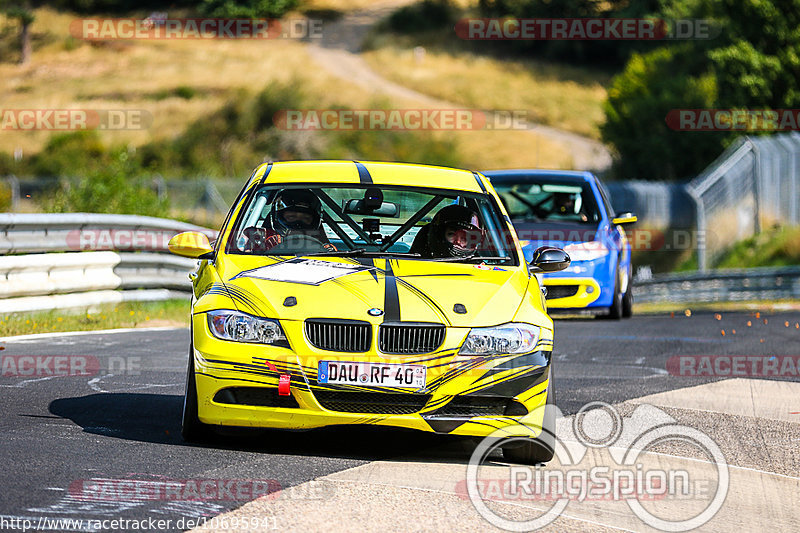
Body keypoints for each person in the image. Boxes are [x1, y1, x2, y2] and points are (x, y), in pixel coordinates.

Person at [243, 189, 336, 252]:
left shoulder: (326, 249)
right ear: (278, 217)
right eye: (292, 217)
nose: (298, 223)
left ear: (315, 221)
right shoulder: (262, 239)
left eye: (305, 219)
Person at [410, 204, 484, 258]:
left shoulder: (482, 270)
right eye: (451, 234)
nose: (458, 242)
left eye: (464, 238)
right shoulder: (414, 265)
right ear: (439, 235)